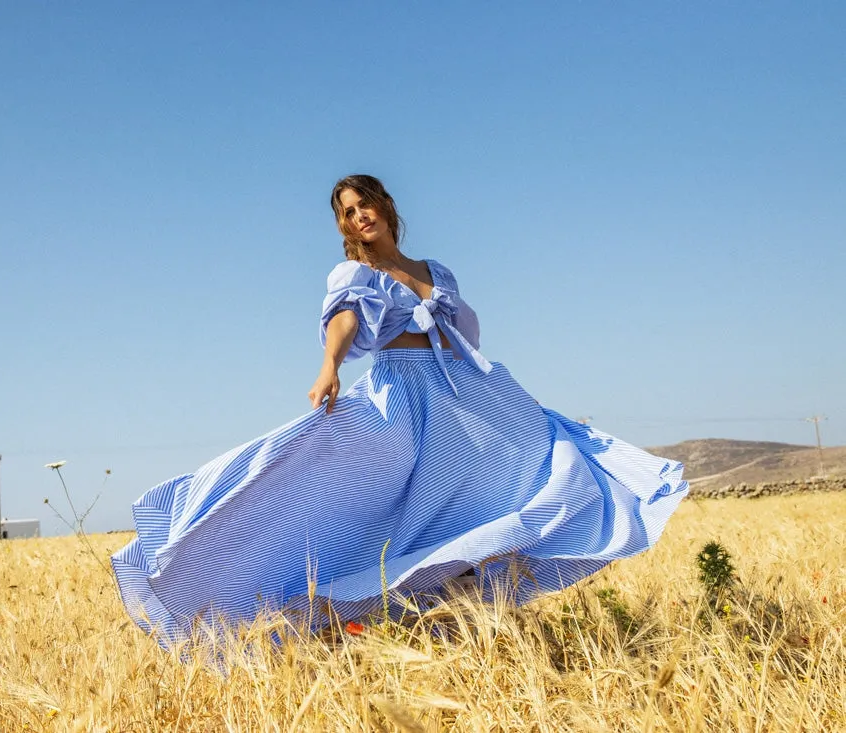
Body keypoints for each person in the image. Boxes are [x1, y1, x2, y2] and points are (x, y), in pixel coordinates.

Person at [111, 174, 687, 647]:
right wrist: (329, 365)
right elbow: (344, 320)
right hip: (405, 396)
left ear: (387, 207)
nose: (360, 215)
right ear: (344, 225)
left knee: (539, 468)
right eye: (348, 211)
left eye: (366, 204)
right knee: (361, 497)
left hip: (465, 394)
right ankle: (308, 603)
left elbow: (468, 339)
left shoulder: (439, 273)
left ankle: (472, 620)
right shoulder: (356, 275)